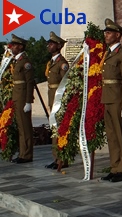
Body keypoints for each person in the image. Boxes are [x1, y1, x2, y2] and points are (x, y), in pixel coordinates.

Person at [100, 18, 122, 183]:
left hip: (118, 99)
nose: (106, 35)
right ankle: (114, 167)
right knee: (112, 135)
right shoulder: (108, 53)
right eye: (105, 32)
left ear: (118, 35)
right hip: (107, 97)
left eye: (109, 32)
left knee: (121, 134)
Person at [44, 31, 69, 170]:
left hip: (58, 99)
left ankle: (62, 159)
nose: (49, 45)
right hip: (52, 98)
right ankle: (56, 158)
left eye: (52, 44)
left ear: (59, 46)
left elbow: (65, 83)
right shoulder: (52, 63)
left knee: (59, 129)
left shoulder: (62, 64)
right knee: (54, 128)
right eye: (49, 43)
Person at [9, 34, 35, 164]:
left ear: (20, 47)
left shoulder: (25, 62)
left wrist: (28, 101)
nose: (12, 47)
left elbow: (30, 82)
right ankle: (22, 152)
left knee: (25, 127)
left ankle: (27, 154)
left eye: (14, 45)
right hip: (17, 96)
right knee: (21, 126)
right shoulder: (16, 61)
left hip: (23, 98)